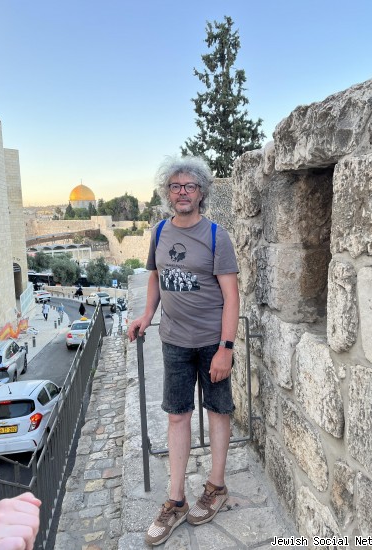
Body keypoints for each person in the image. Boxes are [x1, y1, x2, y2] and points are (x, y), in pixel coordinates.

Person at [128, 156, 239, 546]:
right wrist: (146, 315)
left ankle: (216, 487)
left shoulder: (217, 237)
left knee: (218, 412)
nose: (182, 193)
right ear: (167, 193)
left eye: (189, 186)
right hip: (173, 341)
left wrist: (226, 349)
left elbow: (231, 296)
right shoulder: (159, 232)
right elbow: (156, 277)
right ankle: (176, 501)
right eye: (175, 186)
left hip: (211, 341)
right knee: (177, 416)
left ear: (202, 192)